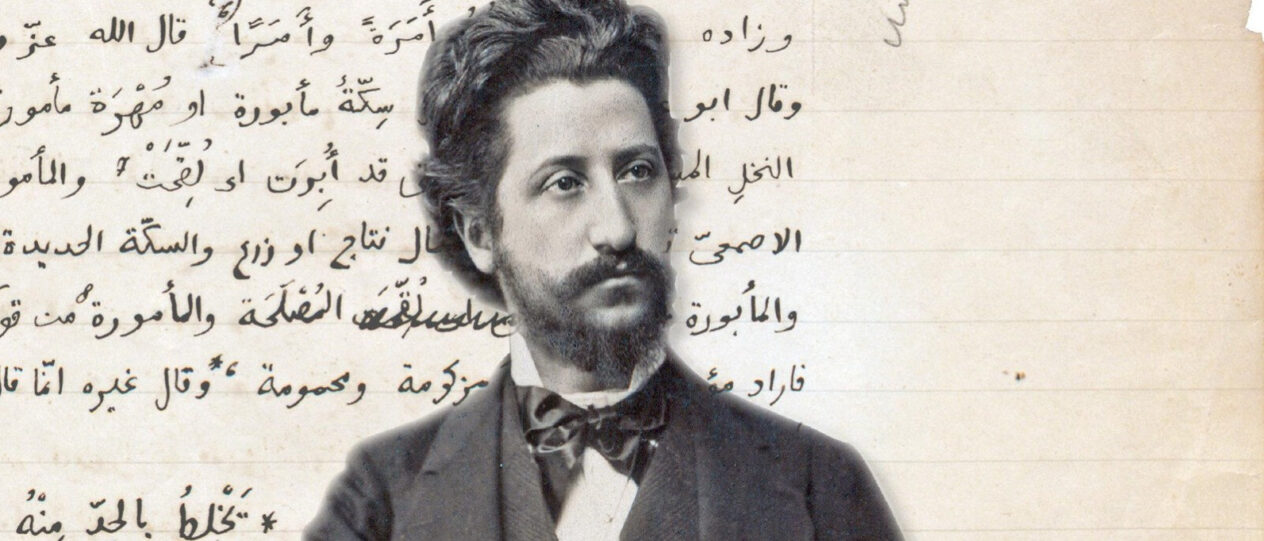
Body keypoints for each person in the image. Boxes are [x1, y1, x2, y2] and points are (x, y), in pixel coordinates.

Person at [305, 0, 901, 538]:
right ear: (479, 233)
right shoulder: (381, 501)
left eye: (637, 172)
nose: (617, 229)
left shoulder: (821, 488)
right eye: (565, 183)